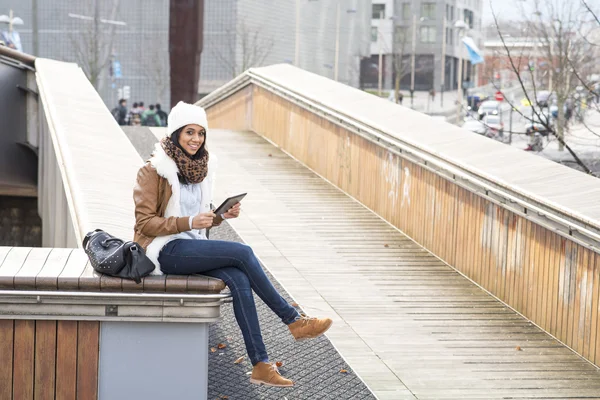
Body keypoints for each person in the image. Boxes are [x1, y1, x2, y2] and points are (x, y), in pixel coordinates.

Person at [132, 101, 332, 387]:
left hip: (192, 248)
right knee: (243, 252)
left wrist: (220, 215)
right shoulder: (153, 171)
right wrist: (189, 223)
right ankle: (293, 320)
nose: (196, 139)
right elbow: (144, 224)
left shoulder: (199, 169)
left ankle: (261, 365)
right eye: (189, 132)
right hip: (164, 250)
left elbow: (199, 217)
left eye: (201, 133)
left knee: (239, 277)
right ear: (176, 132)